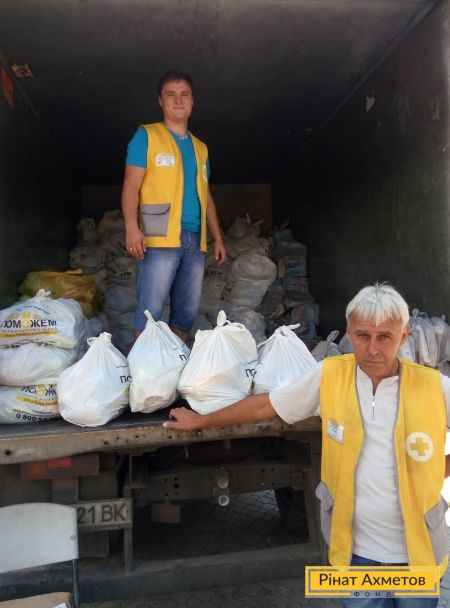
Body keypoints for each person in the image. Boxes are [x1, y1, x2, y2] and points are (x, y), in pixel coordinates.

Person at [164, 283, 450, 607]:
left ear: (404, 335)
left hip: (418, 557)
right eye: (363, 336)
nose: (372, 349)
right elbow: (267, 405)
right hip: (355, 556)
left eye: (385, 336)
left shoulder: (433, 387)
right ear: (349, 333)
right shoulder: (331, 376)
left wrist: (437, 470)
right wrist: (201, 421)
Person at [121, 70, 226, 344]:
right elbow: (131, 185)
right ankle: (144, 368)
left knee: (186, 315)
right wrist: (132, 227)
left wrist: (217, 237)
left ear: (192, 101)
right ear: (160, 100)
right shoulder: (147, 136)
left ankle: (177, 364)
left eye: (184, 94)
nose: (178, 100)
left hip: (195, 239)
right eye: (171, 94)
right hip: (159, 235)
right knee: (150, 312)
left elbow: (206, 194)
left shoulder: (201, 148)